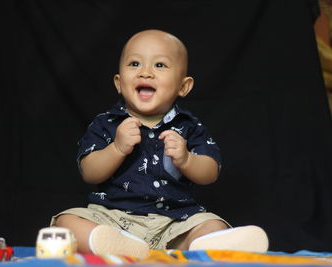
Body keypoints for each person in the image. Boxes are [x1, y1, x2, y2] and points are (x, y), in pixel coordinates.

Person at [51, 29, 268, 258]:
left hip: (176, 221)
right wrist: (116, 148)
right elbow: (89, 172)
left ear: (183, 86)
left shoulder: (189, 127)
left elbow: (210, 171)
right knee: (66, 222)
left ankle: (204, 244)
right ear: (118, 82)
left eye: (160, 65)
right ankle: (116, 244)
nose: (145, 73)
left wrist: (187, 159)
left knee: (212, 224)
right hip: (112, 219)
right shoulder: (106, 123)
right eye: (134, 64)